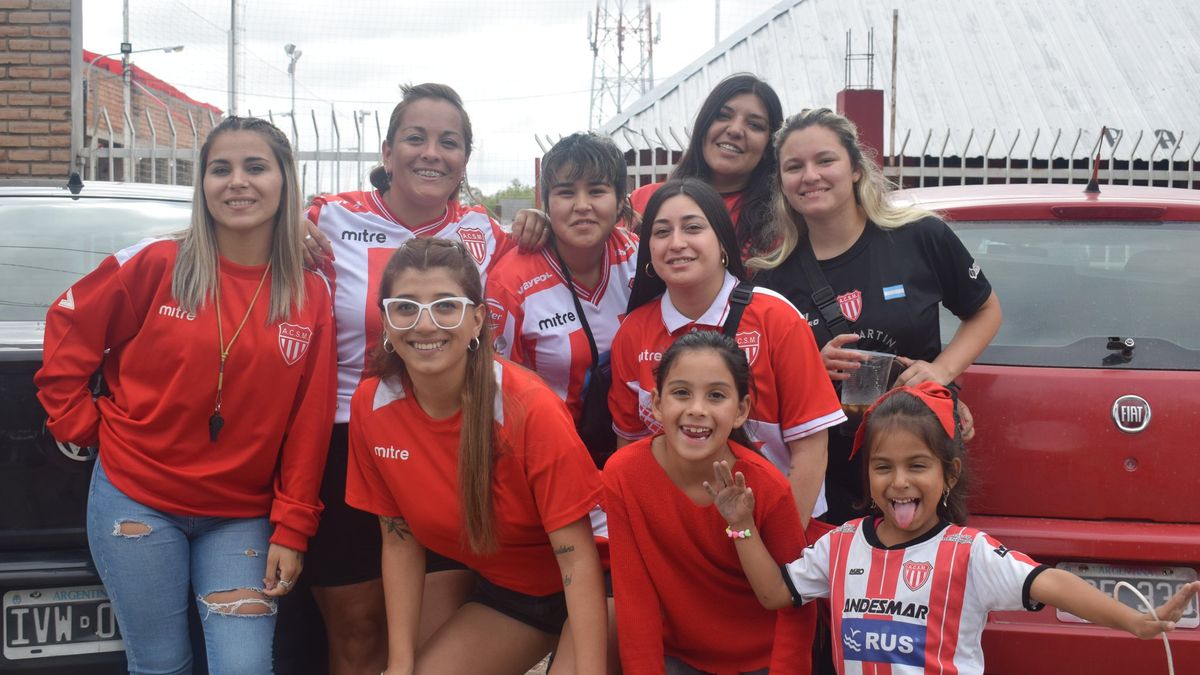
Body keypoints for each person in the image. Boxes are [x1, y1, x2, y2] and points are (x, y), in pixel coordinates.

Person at [35, 116, 336, 674]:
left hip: (240, 516)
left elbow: (309, 421)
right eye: (220, 169)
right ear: (203, 184)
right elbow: (68, 327)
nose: (237, 181)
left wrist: (293, 526)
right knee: (161, 666)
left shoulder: (309, 291)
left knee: (244, 667)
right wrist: (80, 425)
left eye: (255, 167)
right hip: (136, 499)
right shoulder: (156, 263)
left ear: (285, 181)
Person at [284, 82, 550, 674]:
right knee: (358, 633)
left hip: (449, 442)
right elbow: (235, 234)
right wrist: (284, 226)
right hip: (346, 438)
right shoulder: (328, 217)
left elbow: (568, 256)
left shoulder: (486, 231)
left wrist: (543, 222)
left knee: (434, 637)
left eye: (449, 142)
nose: (432, 153)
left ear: (464, 161)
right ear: (387, 152)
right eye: (416, 138)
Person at [707, 381, 1200, 674]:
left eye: (917, 465)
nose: (900, 482)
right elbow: (774, 594)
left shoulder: (968, 552)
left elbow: (1050, 583)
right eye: (883, 467)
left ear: (949, 475)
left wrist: (1135, 621)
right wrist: (741, 524)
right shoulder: (840, 544)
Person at [344, 237, 607, 675]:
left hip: (603, 581)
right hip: (515, 594)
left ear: (477, 320)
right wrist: (399, 664)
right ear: (385, 320)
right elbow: (399, 541)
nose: (425, 324)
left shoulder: (528, 408)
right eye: (405, 307)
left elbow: (578, 559)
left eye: (445, 306)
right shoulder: (371, 405)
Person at [751, 107, 1003, 525]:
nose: (810, 176)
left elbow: (986, 310)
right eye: (794, 167)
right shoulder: (772, 278)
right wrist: (810, 367)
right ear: (781, 182)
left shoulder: (920, 236)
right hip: (826, 472)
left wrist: (941, 372)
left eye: (825, 160)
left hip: (917, 459)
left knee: (921, 564)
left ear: (855, 169)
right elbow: (759, 384)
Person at [610, 178, 845, 528]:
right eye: (661, 232)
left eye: (693, 228)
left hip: (776, 523)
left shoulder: (776, 318)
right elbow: (631, 447)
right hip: (682, 533)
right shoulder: (633, 331)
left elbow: (810, 447)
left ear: (722, 241)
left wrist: (783, 544)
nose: (676, 243)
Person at [604, 331, 814, 674]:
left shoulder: (768, 487)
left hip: (760, 663)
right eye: (681, 392)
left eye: (716, 395)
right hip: (678, 659)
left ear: (741, 410)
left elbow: (798, 603)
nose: (697, 410)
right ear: (656, 403)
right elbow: (634, 597)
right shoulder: (623, 474)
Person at [486, 131, 638, 459]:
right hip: (548, 453)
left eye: (597, 190)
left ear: (620, 201)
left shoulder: (640, 259)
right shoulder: (510, 283)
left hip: (633, 446)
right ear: (546, 204)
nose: (582, 206)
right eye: (566, 192)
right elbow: (495, 392)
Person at [628, 74, 783, 261]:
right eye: (723, 116)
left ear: (769, 145)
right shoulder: (642, 201)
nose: (735, 130)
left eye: (754, 125)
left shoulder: (781, 223)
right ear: (703, 127)